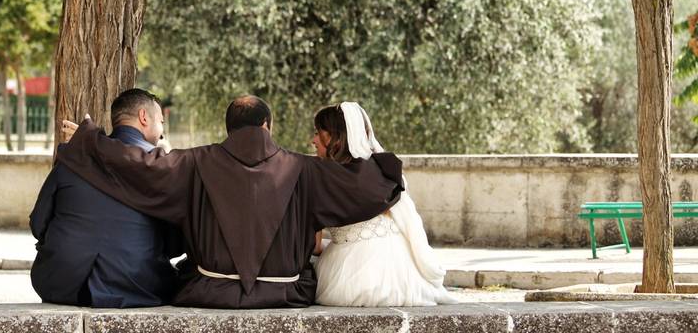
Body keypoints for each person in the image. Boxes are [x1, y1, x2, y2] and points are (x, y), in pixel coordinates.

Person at [57, 95, 404, 308]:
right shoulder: (304, 168)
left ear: (228, 127)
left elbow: (138, 164)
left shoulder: (194, 162)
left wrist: (89, 140)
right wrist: (381, 164)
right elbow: (366, 189)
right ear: (266, 125)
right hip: (286, 293)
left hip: (211, 290)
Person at [29, 88, 182, 307]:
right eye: (161, 122)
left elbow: (38, 223)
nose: (162, 134)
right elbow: (174, 243)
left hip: (60, 282)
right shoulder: (161, 168)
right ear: (144, 117)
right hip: (139, 286)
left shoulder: (73, 157)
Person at [311, 102, 456, 306]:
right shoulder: (384, 169)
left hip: (349, 278)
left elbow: (315, 247)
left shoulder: (321, 176)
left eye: (318, 132)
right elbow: (408, 223)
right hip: (403, 275)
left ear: (334, 136)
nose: (313, 140)